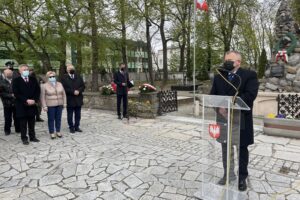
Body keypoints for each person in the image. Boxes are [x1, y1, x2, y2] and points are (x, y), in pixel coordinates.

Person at [210, 50, 259, 191]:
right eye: (226, 60)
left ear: (238, 62)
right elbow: (212, 95)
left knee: (241, 149)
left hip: (240, 119)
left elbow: (250, 95)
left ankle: (242, 177)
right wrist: (219, 108)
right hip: (223, 119)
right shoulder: (219, 76)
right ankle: (228, 174)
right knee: (226, 148)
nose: (227, 62)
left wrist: (231, 107)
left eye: (230, 60)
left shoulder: (249, 75)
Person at [12, 64, 40, 145]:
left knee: (32, 122)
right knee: (23, 123)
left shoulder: (33, 79)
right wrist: (26, 100)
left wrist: (34, 100)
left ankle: (32, 137)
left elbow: (37, 91)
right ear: (20, 71)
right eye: (24, 70)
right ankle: (24, 138)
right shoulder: (16, 80)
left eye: (27, 69)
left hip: (32, 104)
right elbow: (16, 93)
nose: (26, 71)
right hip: (22, 105)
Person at [40, 71, 66, 139]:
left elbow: (64, 94)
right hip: (50, 105)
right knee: (51, 119)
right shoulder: (44, 85)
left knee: (58, 119)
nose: (52, 78)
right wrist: (44, 106)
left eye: (53, 76)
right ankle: (52, 132)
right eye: (50, 77)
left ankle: (58, 131)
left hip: (59, 104)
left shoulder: (60, 84)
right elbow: (42, 97)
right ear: (48, 77)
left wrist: (64, 103)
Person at [61, 64, 85, 133]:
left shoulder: (78, 76)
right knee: (70, 114)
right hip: (70, 99)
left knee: (78, 114)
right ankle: (71, 127)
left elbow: (82, 86)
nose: (71, 70)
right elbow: (64, 88)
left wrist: (79, 91)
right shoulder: (64, 78)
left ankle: (77, 126)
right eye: (69, 68)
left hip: (78, 99)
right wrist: (72, 92)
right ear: (67, 70)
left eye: (72, 68)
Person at [0, 69, 20, 135]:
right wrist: (10, 95)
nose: (9, 74)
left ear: (12, 73)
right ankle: (7, 130)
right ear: (4, 74)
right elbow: (1, 93)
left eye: (10, 73)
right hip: (7, 103)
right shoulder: (1, 82)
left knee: (17, 117)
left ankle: (18, 129)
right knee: (8, 118)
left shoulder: (16, 81)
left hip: (16, 102)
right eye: (7, 73)